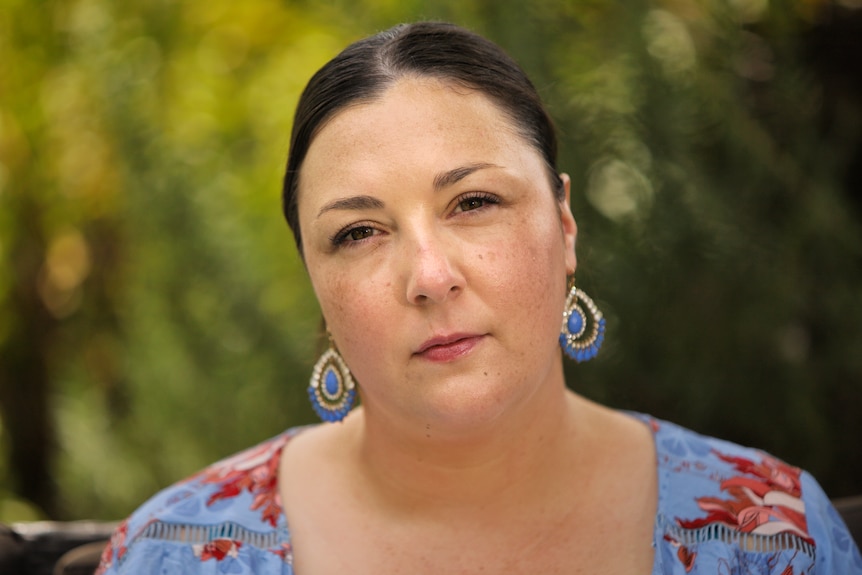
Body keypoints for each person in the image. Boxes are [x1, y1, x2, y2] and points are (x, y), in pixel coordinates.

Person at [95, 22, 861, 574]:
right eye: (360, 232)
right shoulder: (176, 551)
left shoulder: (770, 535)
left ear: (564, 224)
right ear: (315, 285)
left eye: (473, 203)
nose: (429, 274)